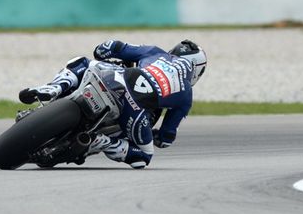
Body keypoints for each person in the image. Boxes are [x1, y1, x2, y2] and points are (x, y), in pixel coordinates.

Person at [19, 39, 207, 169]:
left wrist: (103, 52)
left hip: (113, 75)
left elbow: (113, 46)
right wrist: (158, 137)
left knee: (82, 62)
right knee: (144, 157)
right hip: (133, 108)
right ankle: (101, 141)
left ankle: (52, 89)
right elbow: (167, 138)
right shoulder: (186, 95)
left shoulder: (155, 52)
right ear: (196, 71)